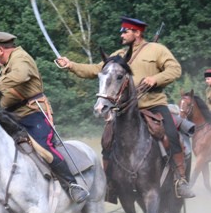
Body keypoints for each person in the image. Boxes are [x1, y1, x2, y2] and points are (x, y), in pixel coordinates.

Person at [56, 16, 195, 198]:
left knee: (171, 134)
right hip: (126, 110)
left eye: (125, 31)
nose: (121, 35)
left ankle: (180, 180)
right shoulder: (119, 55)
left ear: (137, 33)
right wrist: (71, 65)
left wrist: (156, 78)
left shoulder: (157, 50)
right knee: (107, 140)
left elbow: (175, 69)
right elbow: (96, 70)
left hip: (153, 105)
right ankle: (110, 185)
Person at [0, 30, 90, 203]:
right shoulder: (8, 63)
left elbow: (20, 76)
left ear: (0, 50)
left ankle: (71, 185)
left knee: (43, 148)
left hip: (33, 113)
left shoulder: (20, 58)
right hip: (13, 116)